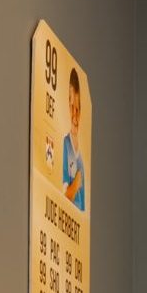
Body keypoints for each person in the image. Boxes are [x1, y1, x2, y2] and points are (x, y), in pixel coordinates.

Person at [61, 68, 88, 211]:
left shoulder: (82, 161)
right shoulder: (65, 145)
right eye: (72, 107)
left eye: (78, 109)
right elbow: (64, 197)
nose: (75, 115)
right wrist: (77, 182)